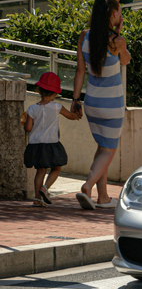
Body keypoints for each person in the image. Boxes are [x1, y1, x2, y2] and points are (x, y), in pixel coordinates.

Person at [72, 0, 131, 210]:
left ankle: (103, 197)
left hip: (91, 102)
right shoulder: (116, 41)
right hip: (112, 104)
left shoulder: (84, 36)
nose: (121, 16)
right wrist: (119, 32)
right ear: (113, 14)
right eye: (119, 12)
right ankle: (88, 186)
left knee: (102, 147)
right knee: (109, 150)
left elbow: (80, 71)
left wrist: (75, 99)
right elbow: (126, 60)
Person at [23, 72, 81, 207]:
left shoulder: (31, 109)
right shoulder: (57, 107)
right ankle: (45, 188)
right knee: (56, 168)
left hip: (35, 145)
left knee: (40, 171)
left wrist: (25, 121)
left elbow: (28, 128)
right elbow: (71, 116)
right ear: (55, 94)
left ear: (38, 91)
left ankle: (37, 199)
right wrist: (77, 114)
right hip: (51, 144)